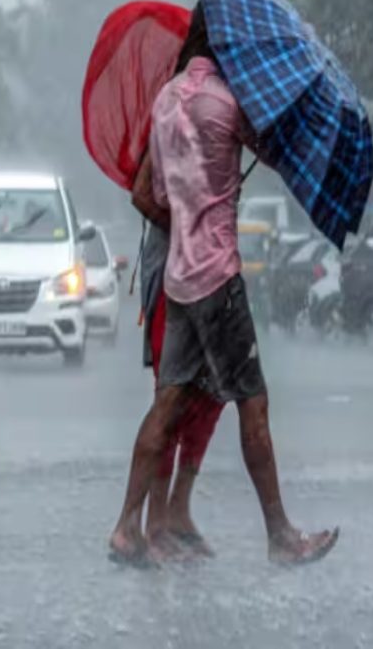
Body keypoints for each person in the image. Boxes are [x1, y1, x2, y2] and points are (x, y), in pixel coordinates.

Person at [108, 5, 339, 567]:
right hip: (217, 278)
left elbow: (155, 195)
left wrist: (192, 208)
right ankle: (281, 535)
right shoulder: (228, 104)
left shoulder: (166, 103)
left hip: (178, 279)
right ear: (228, 46)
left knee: (166, 406)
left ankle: (125, 528)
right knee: (253, 406)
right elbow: (277, 151)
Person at [131, 150, 224, 561]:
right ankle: (152, 521)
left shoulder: (220, 115)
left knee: (213, 393)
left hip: (211, 273)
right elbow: (142, 194)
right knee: (171, 396)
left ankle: (178, 509)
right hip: (172, 276)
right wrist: (186, 227)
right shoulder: (169, 114)